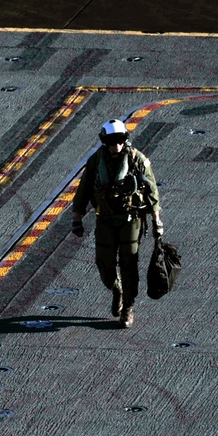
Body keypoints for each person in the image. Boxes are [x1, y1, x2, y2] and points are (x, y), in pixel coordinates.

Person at [71, 119, 163, 328]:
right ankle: (117, 290)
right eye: (112, 142)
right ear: (105, 141)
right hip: (105, 219)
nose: (117, 146)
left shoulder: (137, 160)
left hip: (132, 219)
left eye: (120, 141)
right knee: (104, 264)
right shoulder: (96, 161)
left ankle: (128, 308)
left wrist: (157, 221)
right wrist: (77, 218)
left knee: (129, 263)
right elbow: (84, 190)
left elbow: (152, 192)